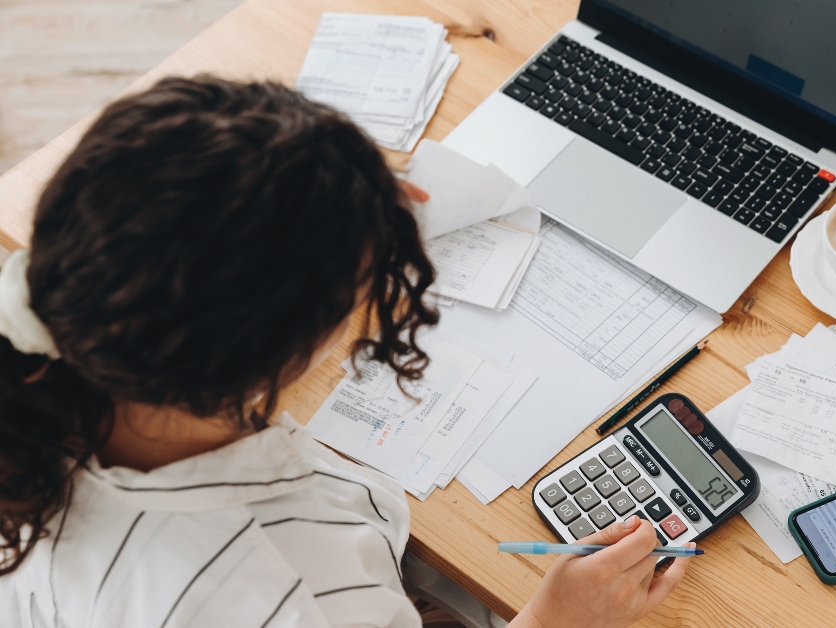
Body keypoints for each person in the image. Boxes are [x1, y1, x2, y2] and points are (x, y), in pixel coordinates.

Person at [0, 76, 690, 628]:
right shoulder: (292, 590)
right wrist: (556, 618)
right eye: (364, 285)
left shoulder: (57, 357)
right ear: (280, 353)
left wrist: (345, 195)